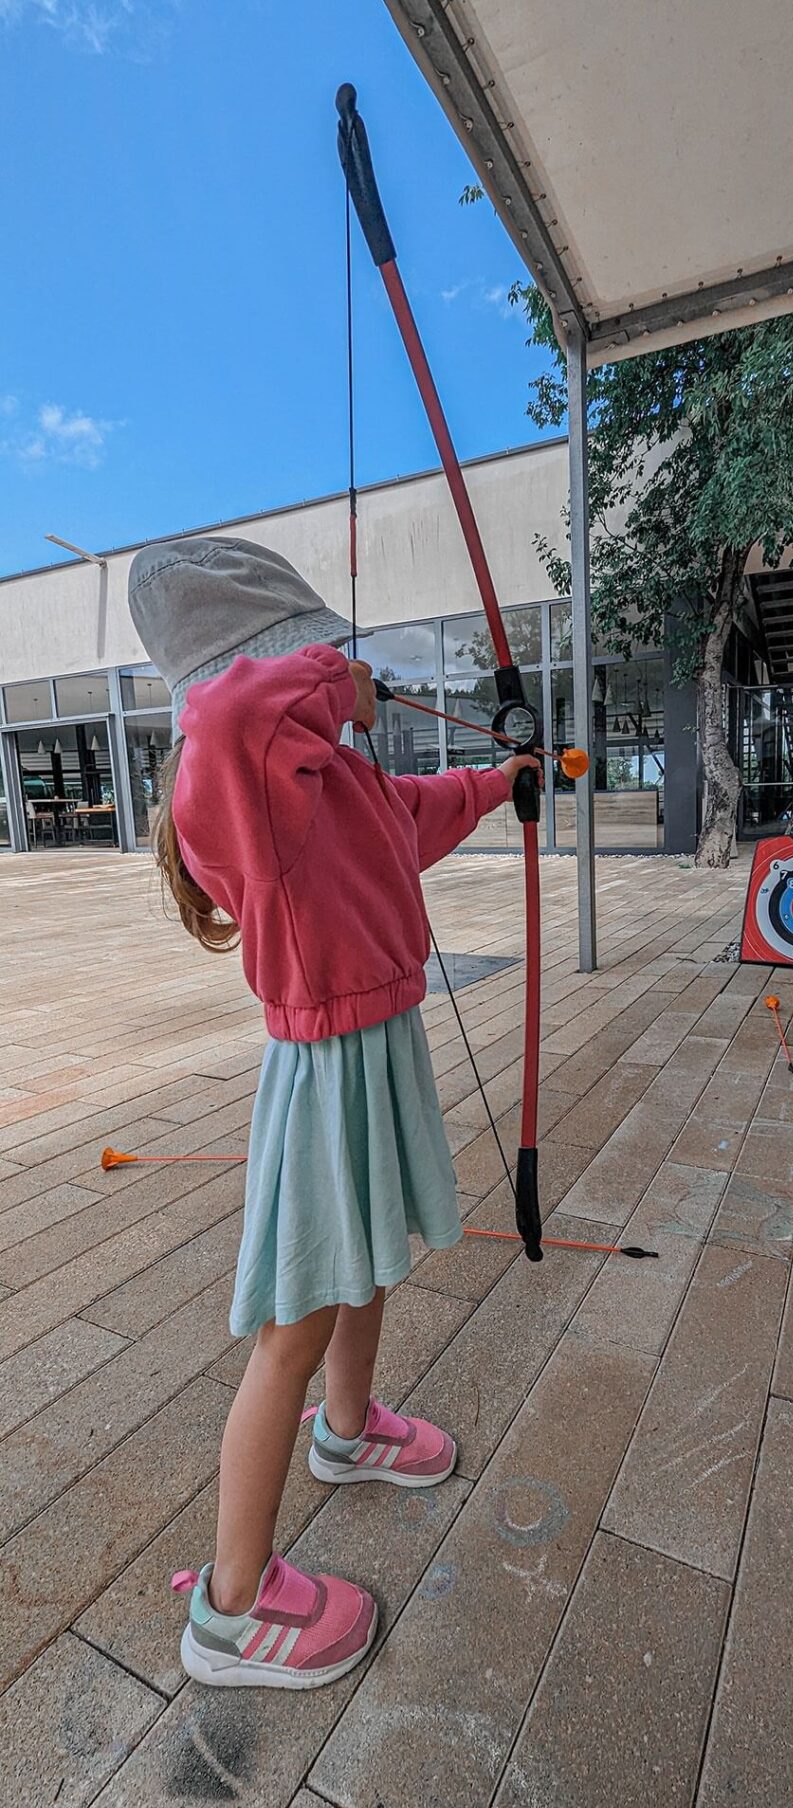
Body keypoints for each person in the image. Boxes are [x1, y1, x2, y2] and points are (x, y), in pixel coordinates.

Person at [127, 534, 539, 1690]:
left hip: (380, 1039)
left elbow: (404, 815)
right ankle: (233, 1605)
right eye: (306, 655)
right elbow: (226, 722)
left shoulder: (324, 778)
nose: (336, 673)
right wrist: (329, 681)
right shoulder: (240, 784)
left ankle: (347, 1429)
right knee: (294, 1324)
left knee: (369, 1260)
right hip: (323, 1066)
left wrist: (497, 785)